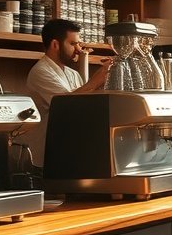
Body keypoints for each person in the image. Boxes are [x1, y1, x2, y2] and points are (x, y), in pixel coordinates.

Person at [20, 18, 110, 165]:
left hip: (69, 149)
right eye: (73, 44)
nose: (78, 49)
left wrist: (103, 83)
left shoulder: (72, 74)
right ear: (55, 44)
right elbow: (65, 105)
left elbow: (83, 104)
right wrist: (95, 81)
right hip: (47, 154)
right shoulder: (40, 72)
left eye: (79, 44)